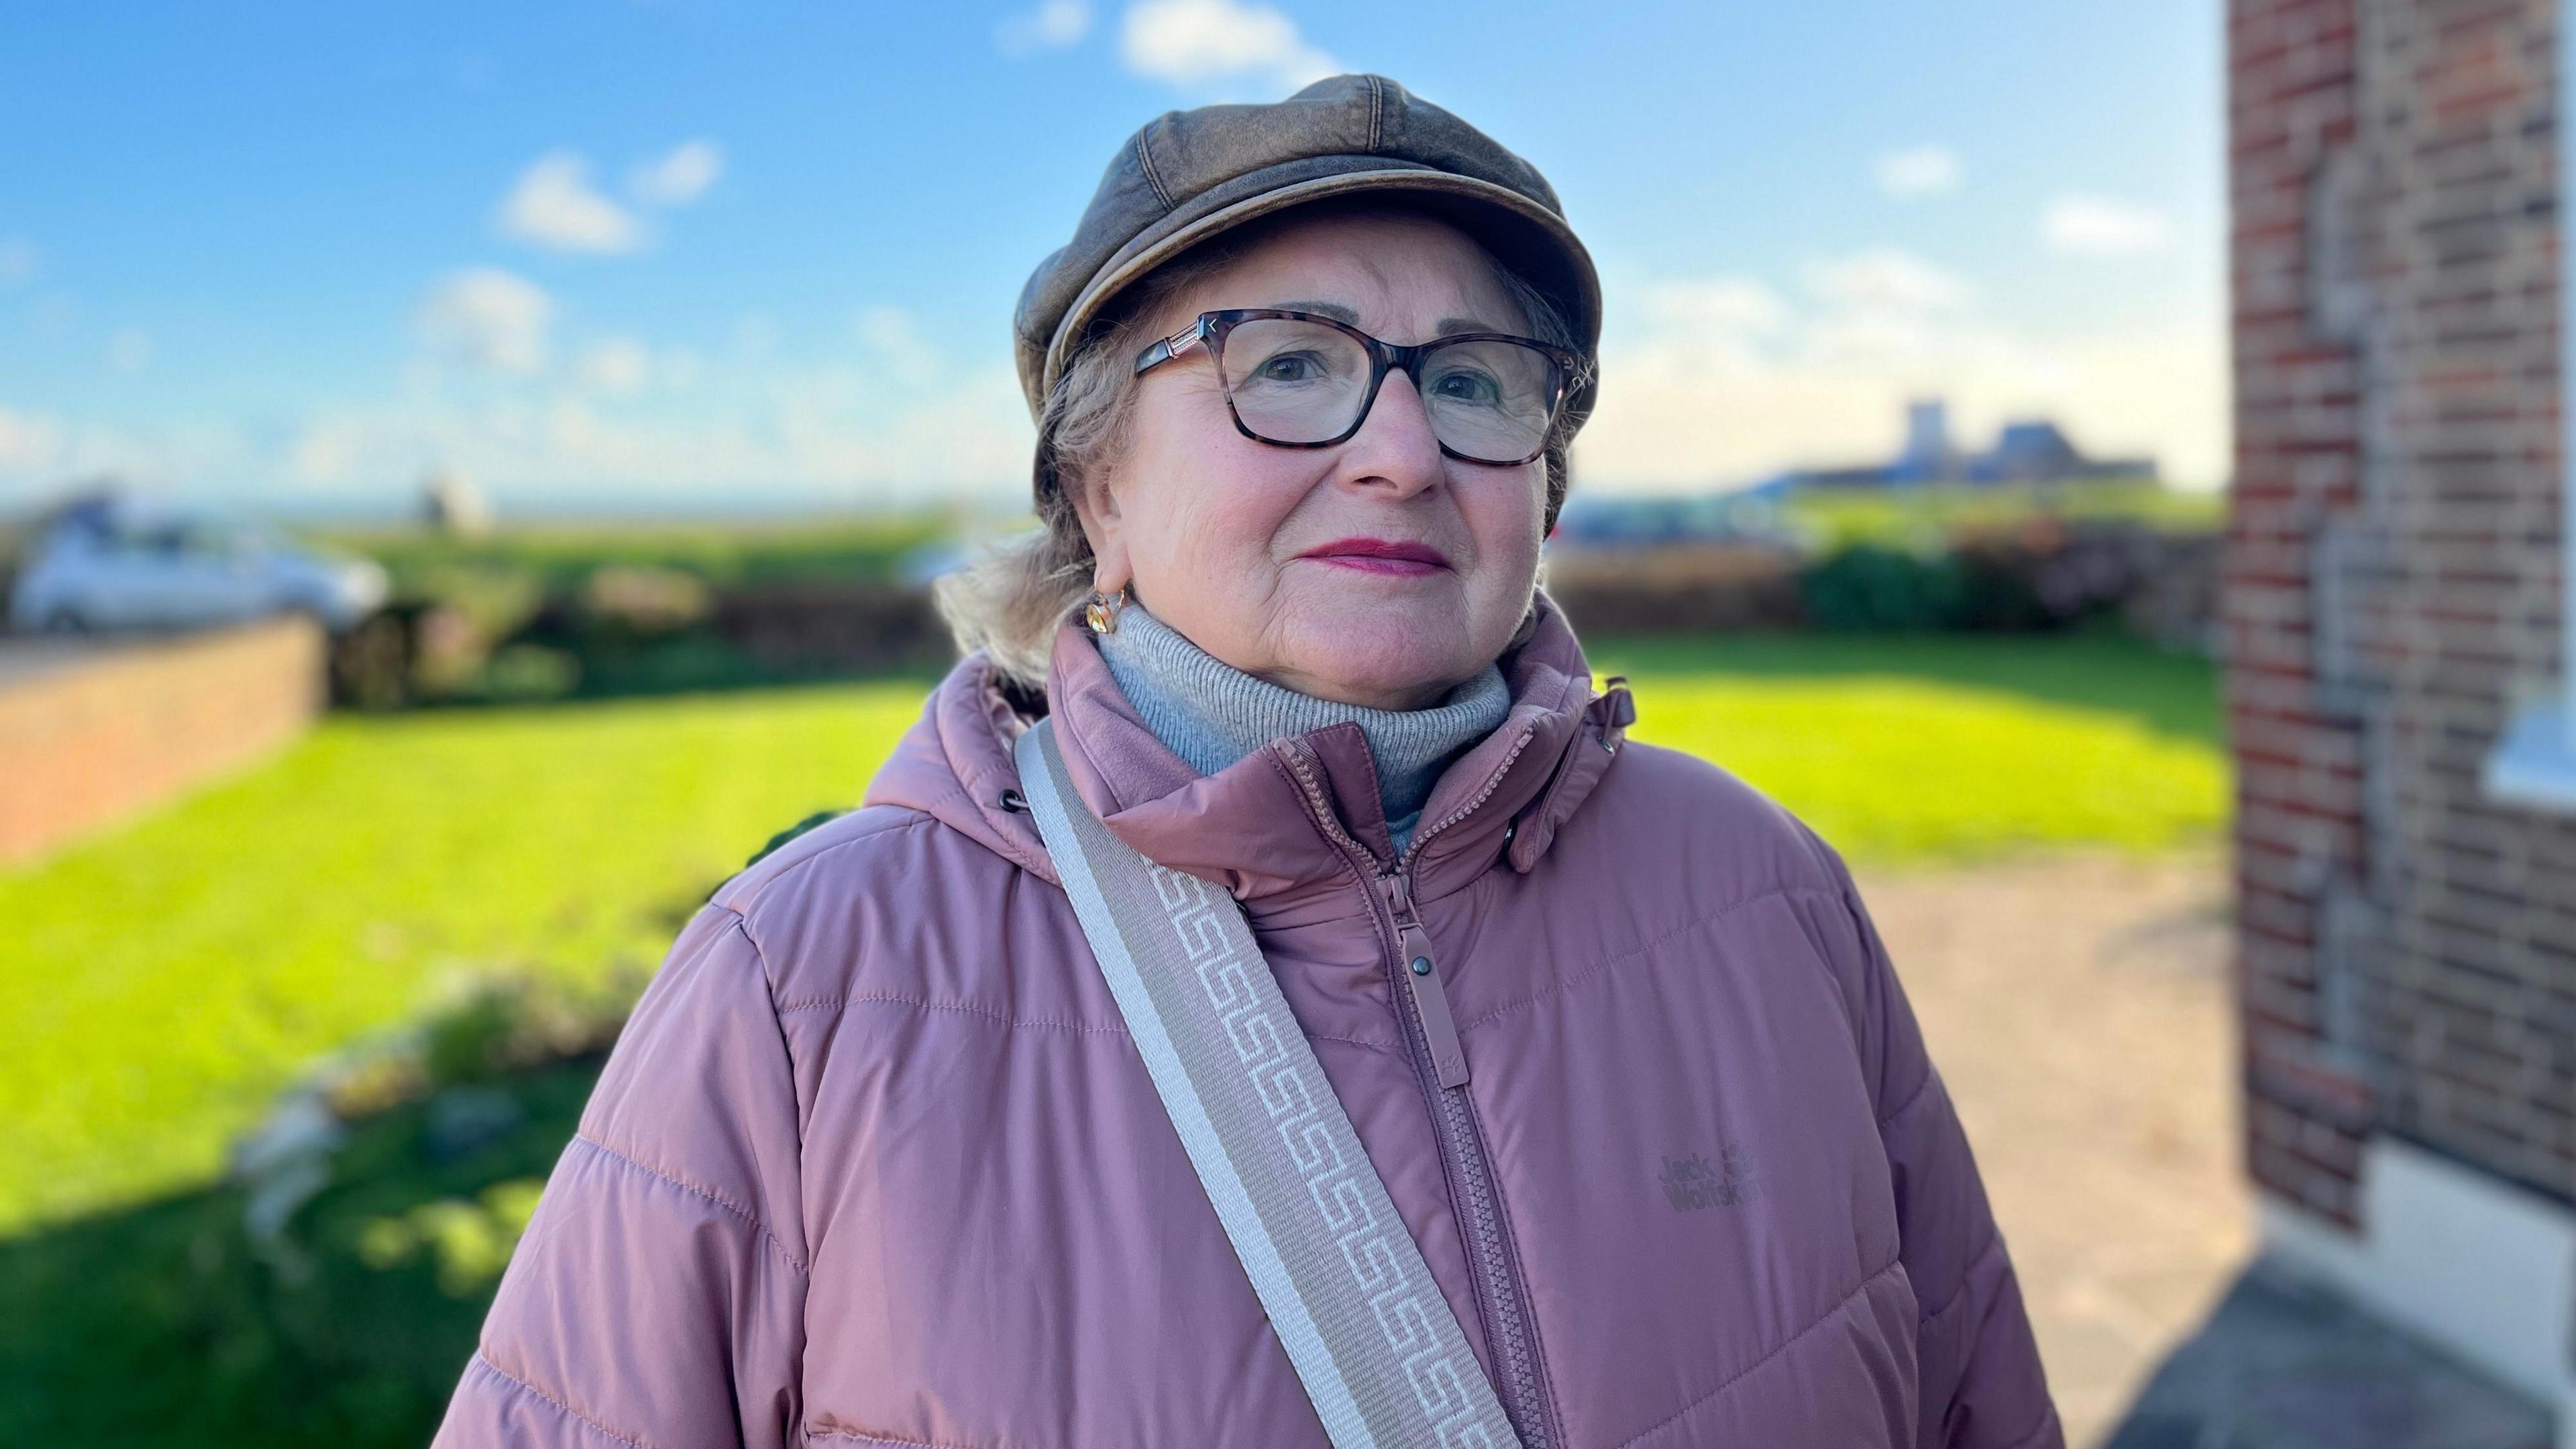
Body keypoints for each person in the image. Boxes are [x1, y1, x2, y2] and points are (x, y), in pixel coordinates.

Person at [434, 74, 2061, 1449]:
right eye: (1288, 363)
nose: (1404, 450)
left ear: (1543, 489)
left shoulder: (1762, 884)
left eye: (1481, 384)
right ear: (1096, 491)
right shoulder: (799, 994)